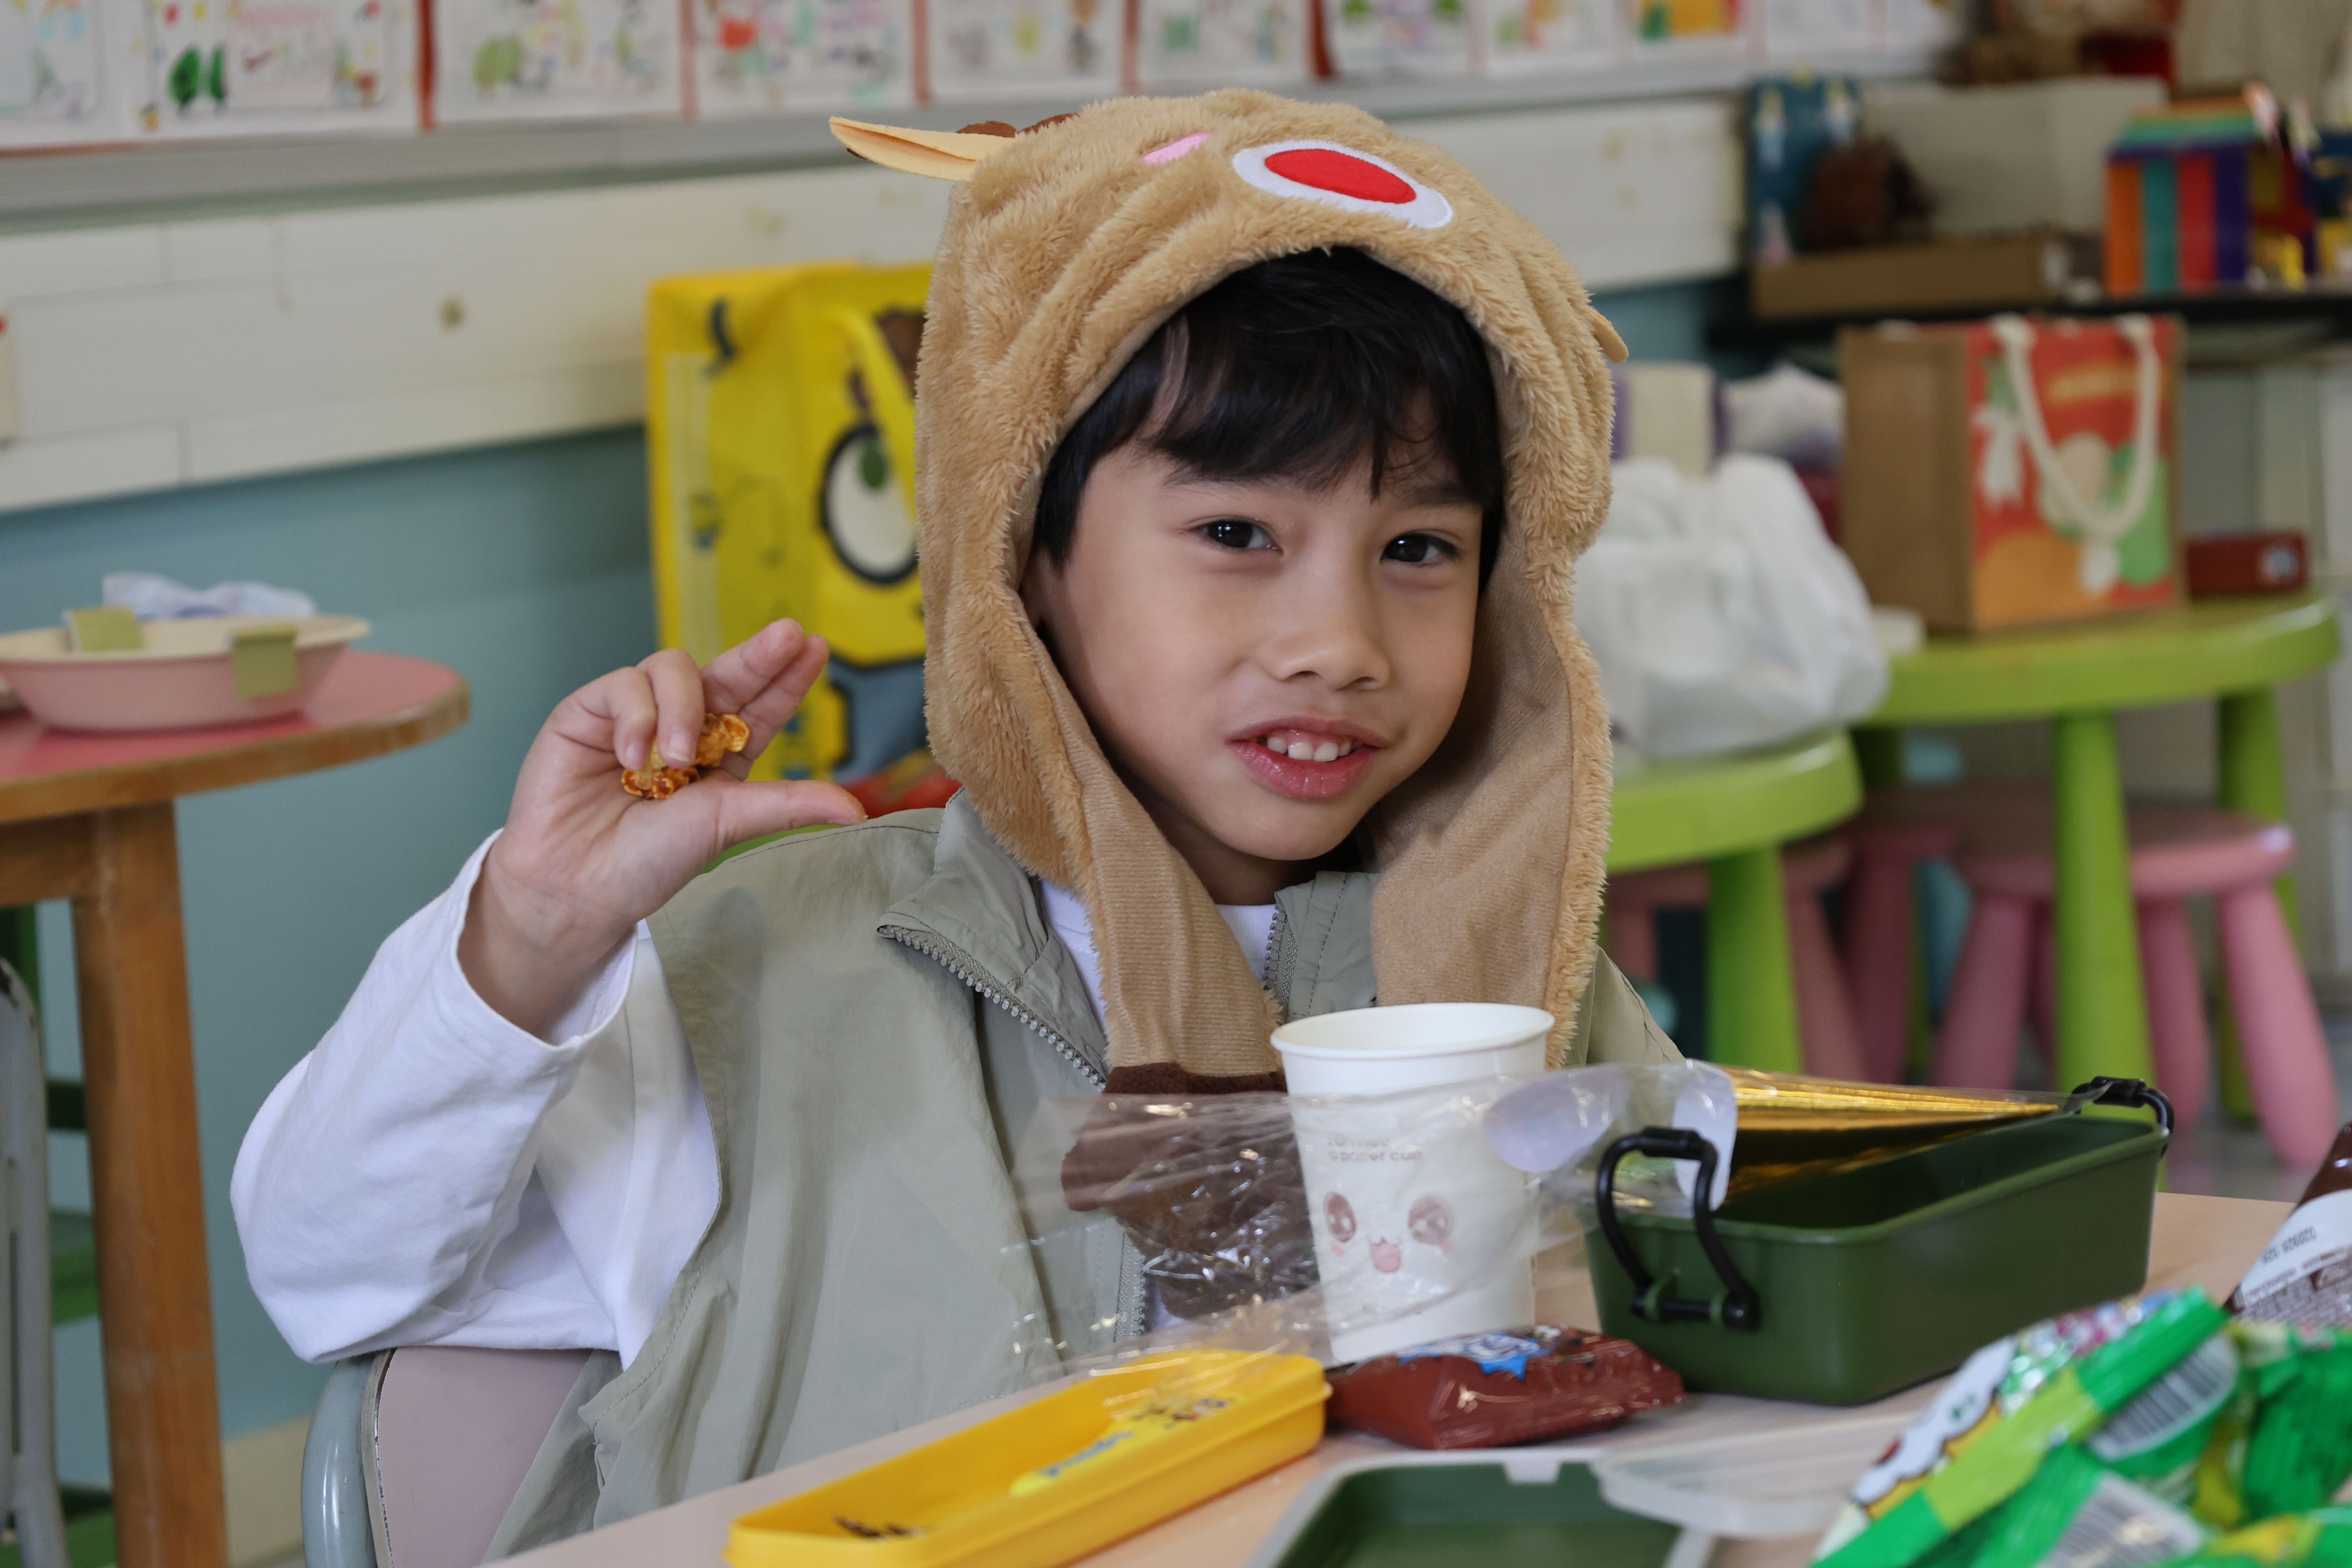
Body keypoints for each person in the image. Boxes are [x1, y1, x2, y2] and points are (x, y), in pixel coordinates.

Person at [232, 89, 1677, 1551]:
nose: (1339, 644)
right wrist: (533, 936)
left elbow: (1700, 1352)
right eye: (1238, 533)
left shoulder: (1514, 987)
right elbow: (328, 1274)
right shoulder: (758, 978)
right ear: (1022, 548)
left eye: (1418, 547)